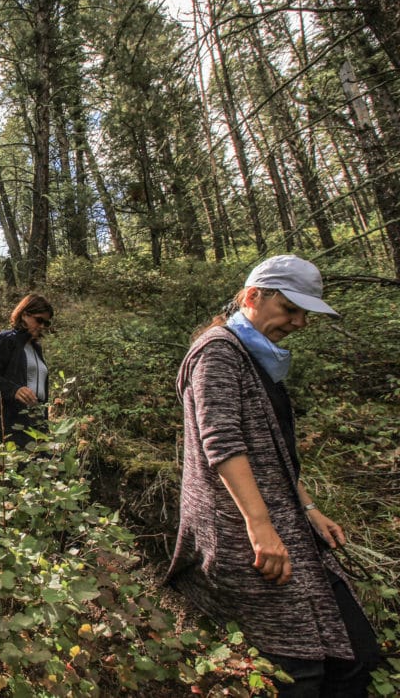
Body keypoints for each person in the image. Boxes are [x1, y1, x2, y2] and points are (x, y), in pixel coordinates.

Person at [165, 255, 379, 696]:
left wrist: (309, 507)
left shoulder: (258, 356)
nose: (299, 322)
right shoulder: (218, 353)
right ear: (252, 297)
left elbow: (275, 450)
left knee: (355, 653)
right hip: (242, 529)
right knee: (297, 669)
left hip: (283, 519)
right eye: (290, 310)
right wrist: (260, 528)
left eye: (305, 314)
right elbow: (221, 442)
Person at [0, 293, 53, 449]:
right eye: (39, 320)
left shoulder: (36, 349)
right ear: (25, 314)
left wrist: (45, 423)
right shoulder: (5, 340)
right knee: (15, 469)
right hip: (9, 422)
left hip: (36, 422)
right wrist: (14, 389)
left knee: (39, 469)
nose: (42, 326)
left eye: (46, 323)